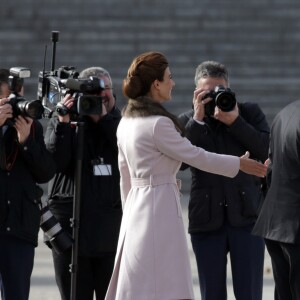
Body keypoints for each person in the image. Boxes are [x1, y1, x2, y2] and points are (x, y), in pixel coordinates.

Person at [104, 51, 267, 300]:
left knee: (145, 283)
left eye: (220, 91)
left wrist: (235, 121)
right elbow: (191, 157)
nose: (173, 82)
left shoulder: (126, 122)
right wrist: (237, 162)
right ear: (156, 83)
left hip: (238, 215)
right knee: (169, 284)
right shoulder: (168, 123)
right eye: (169, 77)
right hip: (179, 213)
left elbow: (124, 177)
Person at [178, 61, 270, 300]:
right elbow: (180, 163)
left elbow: (266, 150)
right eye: (206, 93)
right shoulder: (187, 121)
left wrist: (236, 122)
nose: (214, 99)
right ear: (196, 93)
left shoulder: (249, 112)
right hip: (206, 221)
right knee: (211, 294)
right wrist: (197, 121)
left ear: (229, 89)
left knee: (250, 293)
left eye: (219, 91)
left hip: (247, 217)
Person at [45, 66, 122, 300]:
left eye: (104, 90)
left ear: (113, 93)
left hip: (110, 233)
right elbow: (53, 163)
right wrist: (63, 122)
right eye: (92, 92)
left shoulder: (123, 123)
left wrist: (104, 120)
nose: (99, 97)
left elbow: (127, 151)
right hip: (70, 234)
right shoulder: (63, 120)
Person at [0, 69, 55, 300]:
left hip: (20, 226)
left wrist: (26, 142)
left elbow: (45, 173)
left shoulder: (32, 126)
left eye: (16, 97)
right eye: (6, 99)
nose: (13, 104)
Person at [252, 100, 300, 300]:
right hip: (295, 226)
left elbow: (270, 167)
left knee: (284, 292)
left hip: (274, 223)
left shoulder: (286, 112)